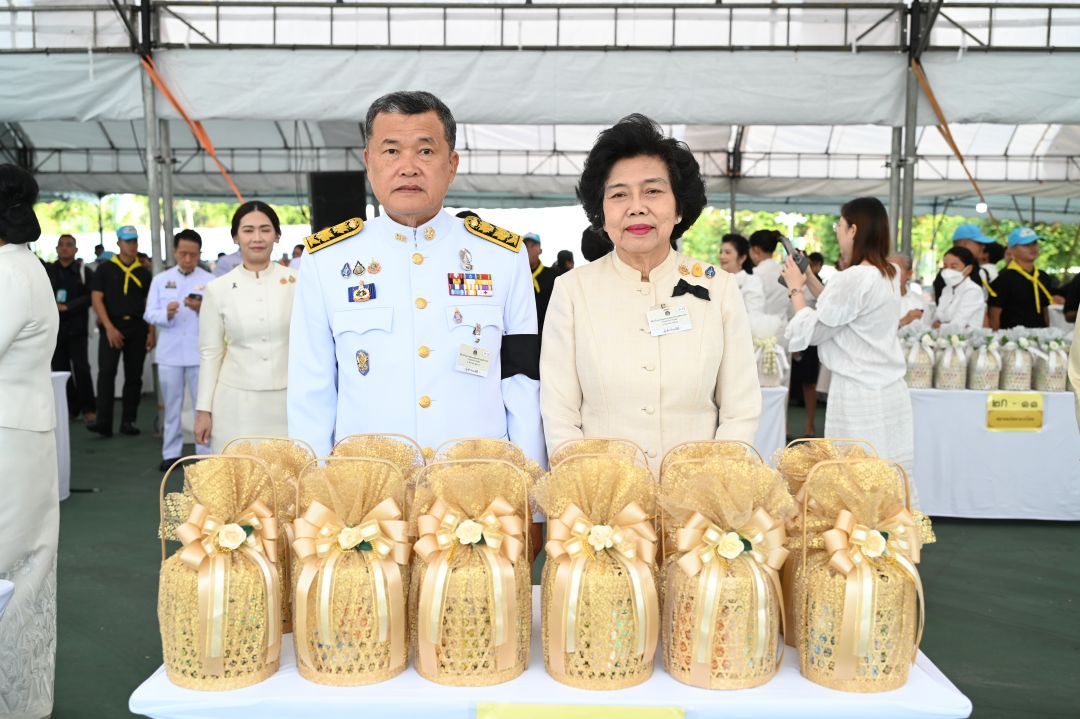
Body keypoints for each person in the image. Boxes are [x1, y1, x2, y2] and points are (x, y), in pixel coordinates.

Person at [288, 90, 545, 463]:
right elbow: (310, 391)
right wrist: (313, 497)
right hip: (367, 489)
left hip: (478, 485)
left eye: (425, 151)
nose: (408, 167)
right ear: (369, 162)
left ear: (452, 164)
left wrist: (530, 500)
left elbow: (522, 383)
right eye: (391, 151)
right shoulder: (326, 260)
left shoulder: (502, 256)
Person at [540, 114, 761, 470]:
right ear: (601, 211)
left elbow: (740, 406)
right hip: (602, 502)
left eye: (653, 191)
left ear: (679, 208)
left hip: (697, 498)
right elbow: (559, 411)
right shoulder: (572, 291)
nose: (637, 206)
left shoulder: (718, 287)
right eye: (619, 194)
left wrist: (716, 481)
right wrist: (585, 488)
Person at [781, 197, 916, 494]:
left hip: (857, 390)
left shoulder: (853, 278)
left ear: (853, 230)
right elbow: (842, 308)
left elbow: (816, 330)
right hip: (889, 388)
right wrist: (811, 279)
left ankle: (859, 538)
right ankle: (892, 534)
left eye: (839, 225)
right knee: (888, 469)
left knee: (855, 478)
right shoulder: (889, 273)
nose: (837, 231)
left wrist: (795, 288)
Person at [0, 163, 60, 719]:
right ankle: (23, 697)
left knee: (12, 567)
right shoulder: (25, 266)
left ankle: (16, 700)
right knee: (25, 566)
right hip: (21, 431)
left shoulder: (8, 272)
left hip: (8, 439)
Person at [195, 203, 297, 453]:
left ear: (277, 236)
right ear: (235, 237)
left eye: (265, 230)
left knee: (290, 481)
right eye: (248, 230)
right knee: (238, 481)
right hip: (235, 404)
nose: (257, 238)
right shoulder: (217, 289)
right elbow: (210, 353)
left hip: (290, 400)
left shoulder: (299, 282)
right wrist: (203, 410)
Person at [144, 230, 213, 469]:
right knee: (171, 406)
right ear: (174, 252)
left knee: (202, 405)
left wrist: (201, 307)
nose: (187, 259)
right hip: (170, 352)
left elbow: (219, 316)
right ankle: (171, 453)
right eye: (183, 253)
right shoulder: (161, 280)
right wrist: (166, 314)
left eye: (193, 255)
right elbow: (149, 313)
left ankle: (204, 453)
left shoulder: (209, 280)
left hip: (199, 352)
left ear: (199, 254)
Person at [87, 225, 153, 437]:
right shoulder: (105, 269)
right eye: (128, 241)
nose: (132, 245)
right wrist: (109, 327)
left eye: (134, 241)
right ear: (118, 243)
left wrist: (151, 332)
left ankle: (128, 422)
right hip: (111, 325)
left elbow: (149, 304)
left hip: (137, 326)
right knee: (106, 374)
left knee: (134, 376)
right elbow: (96, 298)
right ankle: (103, 422)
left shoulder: (143, 272)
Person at [47, 233, 96, 422]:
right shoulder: (49, 270)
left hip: (77, 327)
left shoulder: (84, 271)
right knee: (60, 369)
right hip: (56, 329)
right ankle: (69, 408)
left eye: (69, 245)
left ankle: (89, 408)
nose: (65, 248)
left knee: (82, 369)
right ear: (57, 249)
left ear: (75, 250)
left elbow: (92, 296)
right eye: (61, 245)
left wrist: (69, 306)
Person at [988, 227, 1060, 330]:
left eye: (1034, 242)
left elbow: (1045, 311)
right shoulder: (1004, 279)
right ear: (1011, 250)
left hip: (1040, 338)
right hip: (1012, 340)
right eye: (1026, 244)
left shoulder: (1043, 277)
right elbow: (994, 315)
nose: (1032, 247)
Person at [931, 246, 987, 334]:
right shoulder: (947, 289)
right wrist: (943, 325)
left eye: (953, 267)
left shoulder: (973, 290)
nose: (947, 270)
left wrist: (941, 326)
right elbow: (936, 318)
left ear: (968, 269)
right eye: (945, 266)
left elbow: (956, 326)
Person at [717, 232, 765, 317]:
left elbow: (755, 316)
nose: (721, 256)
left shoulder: (752, 281)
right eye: (721, 252)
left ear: (742, 257)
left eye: (727, 252)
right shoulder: (716, 280)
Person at [748, 229, 791, 318]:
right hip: (783, 326)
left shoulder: (755, 274)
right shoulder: (784, 271)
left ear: (756, 250)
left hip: (762, 328)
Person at [523, 232, 557, 339]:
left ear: (540, 250)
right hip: (521, 334)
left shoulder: (553, 276)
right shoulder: (515, 276)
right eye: (525, 246)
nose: (529, 249)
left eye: (533, 245)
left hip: (546, 335)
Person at [889, 253, 928, 328]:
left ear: (909, 274)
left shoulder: (919, 300)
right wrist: (904, 321)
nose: (891, 273)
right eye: (888, 269)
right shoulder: (878, 300)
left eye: (896, 269)